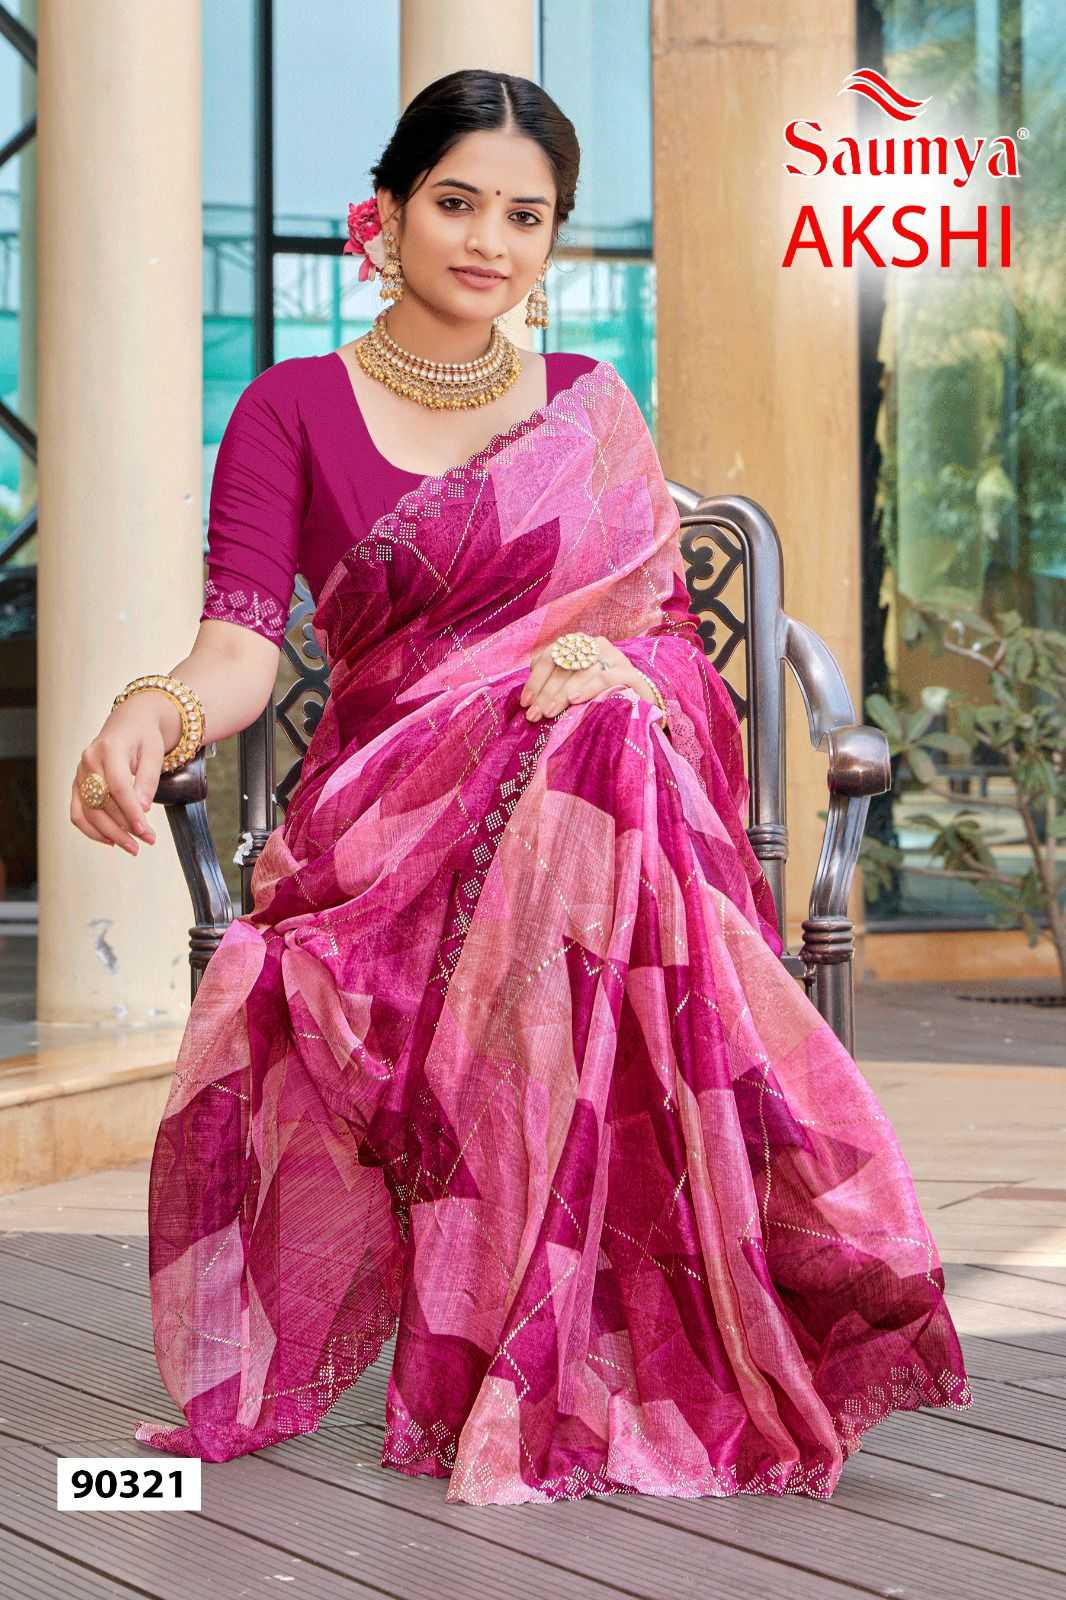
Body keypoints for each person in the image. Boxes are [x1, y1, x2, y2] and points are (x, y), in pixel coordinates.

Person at [72, 69, 972, 1507]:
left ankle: (545, 1326)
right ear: (384, 213)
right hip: (385, 821)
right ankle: (573, 1316)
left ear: (553, 237)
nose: (489, 240)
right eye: (456, 203)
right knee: (593, 758)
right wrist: (153, 708)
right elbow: (238, 645)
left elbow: (662, 645)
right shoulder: (290, 408)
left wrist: (615, 671)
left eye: (525, 215)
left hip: (582, 814)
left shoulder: (585, 408)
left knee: (605, 731)